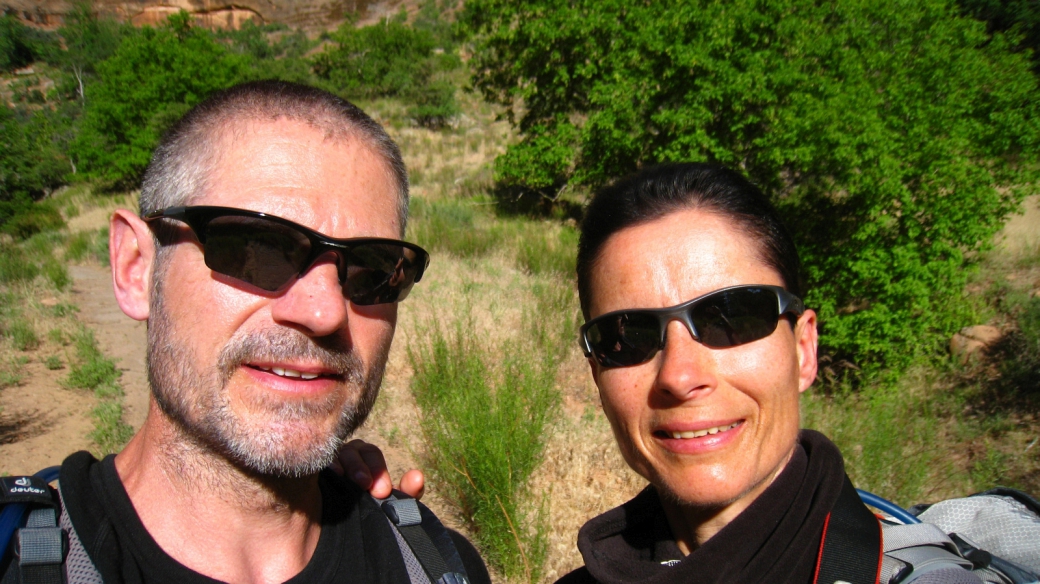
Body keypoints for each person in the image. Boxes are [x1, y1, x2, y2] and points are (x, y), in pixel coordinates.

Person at [7, 80, 489, 584]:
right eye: (259, 248)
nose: (325, 313)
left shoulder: (436, 566)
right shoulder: (19, 557)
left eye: (372, 268)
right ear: (136, 268)